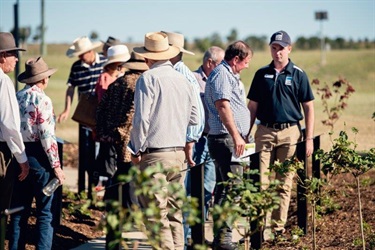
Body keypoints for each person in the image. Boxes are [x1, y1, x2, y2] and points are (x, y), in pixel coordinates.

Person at [129, 31, 199, 250]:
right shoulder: (184, 80)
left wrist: (135, 148)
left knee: (156, 217)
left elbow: (141, 119)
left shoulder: (147, 79)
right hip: (179, 154)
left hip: (155, 154)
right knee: (175, 213)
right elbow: (195, 117)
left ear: (147, 57)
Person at [247, 30, 315, 240]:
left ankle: (277, 230)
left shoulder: (298, 74)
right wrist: (245, 133)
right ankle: (258, 229)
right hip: (265, 132)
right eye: (274, 48)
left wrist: (309, 137)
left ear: (289, 49)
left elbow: (309, 108)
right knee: (261, 181)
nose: (277, 53)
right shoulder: (261, 74)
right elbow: (252, 107)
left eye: (281, 48)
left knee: (284, 183)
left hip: (290, 134)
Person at [9, 57, 65, 250]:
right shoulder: (43, 100)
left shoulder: (16, 97)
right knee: (45, 212)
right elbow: (47, 136)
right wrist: (57, 167)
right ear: (44, 80)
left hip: (19, 155)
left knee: (19, 211)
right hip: (40, 157)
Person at [96, 51, 147, 250]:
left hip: (110, 142)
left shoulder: (116, 83)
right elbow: (132, 115)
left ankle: (114, 238)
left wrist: (105, 133)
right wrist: (124, 135)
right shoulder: (138, 85)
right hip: (128, 145)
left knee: (115, 187)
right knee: (127, 188)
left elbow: (99, 111)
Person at [205, 41, 253, 250]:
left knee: (226, 188)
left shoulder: (228, 74)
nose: (247, 66)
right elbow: (222, 106)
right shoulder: (222, 74)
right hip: (226, 139)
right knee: (232, 188)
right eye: (246, 62)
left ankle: (221, 237)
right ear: (236, 59)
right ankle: (224, 238)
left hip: (230, 139)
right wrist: (236, 136)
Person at [57, 36, 106, 194]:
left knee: (101, 150)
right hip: (84, 115)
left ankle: (98, 184)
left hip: (103, 114)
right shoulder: (76, 67)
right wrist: (67, 110)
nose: (79, 57)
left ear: (90, 51)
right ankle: (85, 188)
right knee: (86, 153)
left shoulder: (105, 62)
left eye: (82, 53)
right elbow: (70, 88)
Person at [192, 46, 225, 219]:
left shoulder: (220, 79)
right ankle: (190, 233)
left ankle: (201, 229)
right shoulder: (193, 79)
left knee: (208, 186)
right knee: (193, 187)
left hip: (213, 139)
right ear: (209, 62)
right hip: (196, 141)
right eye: (220, 62)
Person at [93, 44, 131, 188]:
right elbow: (104, 103)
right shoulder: (106, 78)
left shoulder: (119, 78)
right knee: (111, 165)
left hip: (115, 130)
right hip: (112, 130)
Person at [0, 32, 30, 213]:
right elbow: (9, 125)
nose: (17, 60)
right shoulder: (3, 82)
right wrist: (22, 158)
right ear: (2, 56)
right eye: (13, 54)